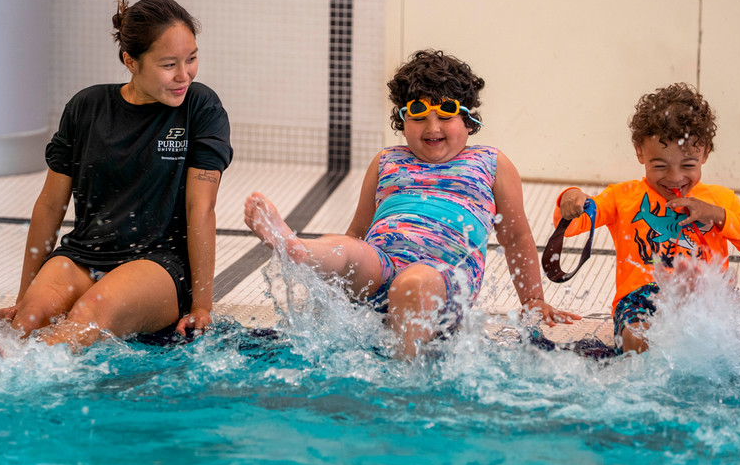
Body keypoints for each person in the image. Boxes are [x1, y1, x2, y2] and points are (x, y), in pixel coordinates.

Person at [245, 49, 578, 358]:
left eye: (445, 115)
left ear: (468, 121)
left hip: (442, 279)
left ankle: (405, 372)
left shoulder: (490, 163)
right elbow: (357, 233)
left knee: (412, 282)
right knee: (347, 251)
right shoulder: (387, 161)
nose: (432, 127)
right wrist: (339, 285)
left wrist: (533, 299)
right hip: (383, 266)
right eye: (418, 116)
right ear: (402, 120)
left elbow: (516, 237)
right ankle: (297, 247)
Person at [0, 0, 233, 364]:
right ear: (130, 61)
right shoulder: (86, 108)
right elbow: (49, 204)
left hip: (158, 264)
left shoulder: (200, 109)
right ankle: (0, 366)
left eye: (191, 59)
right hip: (82, 254)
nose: (184, 75)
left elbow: (200, 209)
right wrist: (23, 297)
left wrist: (202, 305)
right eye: (169, 64)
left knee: (89, 311)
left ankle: (17, 369)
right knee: (31, 317)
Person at [555, 83, 740, 354]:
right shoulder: (622, 196)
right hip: (643, 297)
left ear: (706, 153)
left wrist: (720, 216)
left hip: (709, 297)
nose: (675, 177)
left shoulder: (720, 200)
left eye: (688, 165)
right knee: (636, 342)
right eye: (660, 165)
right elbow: (568, 227)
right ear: (640, 152)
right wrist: (570, 197)